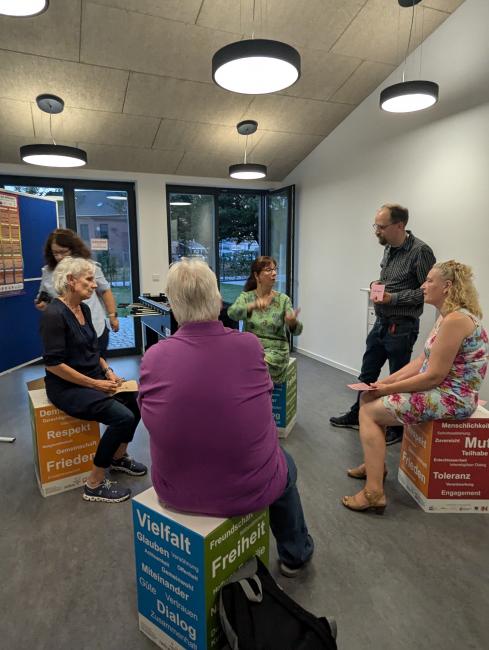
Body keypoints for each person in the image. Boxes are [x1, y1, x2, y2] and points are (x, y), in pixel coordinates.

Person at [138, 258, 314, 577]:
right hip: (249, 488)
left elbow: (150, 416)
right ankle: (295, 554)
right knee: (286, 464)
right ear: (218, 300)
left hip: (174, 488)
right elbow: (262, 396)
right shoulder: (248, 346)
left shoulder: (155, 356)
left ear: (174, 307)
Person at [342, 261, 488, 513]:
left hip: (452, 398)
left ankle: (374, 492)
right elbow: (422, 361)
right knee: (367, 399)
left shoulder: (455, 320)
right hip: (443, 390)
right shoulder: (448, 317)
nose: (423, 285)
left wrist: (387, 390)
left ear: (447, 286)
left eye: (430, 280)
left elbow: (432, 377)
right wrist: (384, 382)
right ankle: (375, 464)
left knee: (367, 411)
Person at [40, 256, 146, 503]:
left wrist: (107, 371)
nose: (94, 285)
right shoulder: (53, 315)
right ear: (70, 281)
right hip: (67, 387)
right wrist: (96, 384)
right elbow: (54, 365)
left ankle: (119, 458)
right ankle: (94, 483)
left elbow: (92, 349)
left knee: (134, 401)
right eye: (88, 279)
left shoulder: (84, 308)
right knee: (122, 418)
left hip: (94, 377)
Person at [330, 204, 436, 445]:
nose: (376, 231)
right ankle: (358, 413)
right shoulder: (388, 248)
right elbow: (393, 280)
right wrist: (378, 284)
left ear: (400, 226)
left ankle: (397, 427)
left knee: (398, 378)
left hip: (402, 326)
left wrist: (393, 298)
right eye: (375, 225)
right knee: (367, 371)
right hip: (381, 322)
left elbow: (426, 292)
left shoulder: (421, 252)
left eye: (381, 226)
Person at [35, 228, 119, 358]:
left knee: (98, 365)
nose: (59, 257)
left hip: (94, 327)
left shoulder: (89, 267)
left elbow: (105, 290)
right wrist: (43, 305)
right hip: (66, 332)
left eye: (63, 252)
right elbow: (43, 297)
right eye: (55, 253)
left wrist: (112, 315)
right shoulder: (47, 272)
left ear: (73, 249)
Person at [227, 256, 302, 384]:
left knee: (256, 367)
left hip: (276, 351)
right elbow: (231, 313)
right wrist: (252, 305)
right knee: (231, 364)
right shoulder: (247, 297)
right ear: (257, 275)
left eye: (275, 269)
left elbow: (296, 331)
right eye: (268, 270)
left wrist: (292, 322)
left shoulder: (283, 300)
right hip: (252, 347)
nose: (274, 273)